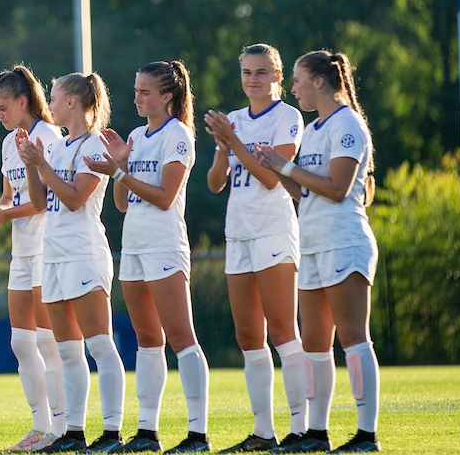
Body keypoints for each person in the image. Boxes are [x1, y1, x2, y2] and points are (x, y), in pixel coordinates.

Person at [257, 51, 381, 454]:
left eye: (297, 80)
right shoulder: (313, 128)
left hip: (343, 240)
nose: (292, 88)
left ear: (320, 83)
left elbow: (339, 187)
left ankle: (366, 436)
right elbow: (305, 192)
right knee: (314, 342)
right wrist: (276, 169)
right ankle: (316, 433)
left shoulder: (347, 123)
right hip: (311, 243)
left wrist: (287, 167)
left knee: (353, 338)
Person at [87, 62, 208, 454]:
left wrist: (120, 173)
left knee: (181, 338)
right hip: (135, 245)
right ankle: (147, 433)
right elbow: (123, 204)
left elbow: (164, 197)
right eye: (136, 91)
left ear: (167, 96)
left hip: (164, 244)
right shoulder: (137, 134)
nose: (137, 98)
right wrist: (120, 164)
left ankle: (197, 435)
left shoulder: (178, 134)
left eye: (145, 92)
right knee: (147, 340)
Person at [16, 72, 126, 455]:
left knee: (99, 344)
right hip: (56, 253)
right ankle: (74, 433)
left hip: (84, 252)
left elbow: (77, 198)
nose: (50, 101)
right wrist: (31, 162)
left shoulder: (95, 143)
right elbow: (43, 199)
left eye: (55, 96)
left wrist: (42, 165)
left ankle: (112, 432)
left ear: (72, 104)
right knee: (67, 350)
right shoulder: (62, 145)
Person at [204, 45, 307, 453]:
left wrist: (234, 141)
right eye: (247, 72)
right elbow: (215, 183)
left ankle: (301, 430)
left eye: (262, 72)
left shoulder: (289, 117)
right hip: (240, 232)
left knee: (283, 331)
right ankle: (264, 432)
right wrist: (223, 146)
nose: (253, 80)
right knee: (249, 336)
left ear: (278, 76)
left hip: (273, 230)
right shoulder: (235, 120)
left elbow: (271, 178)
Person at [0, 66, 66, 451]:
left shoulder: (49, 136)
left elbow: (44, 203)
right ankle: (39, 425)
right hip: (21, 251)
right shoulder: (8, 141)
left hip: (49, 247)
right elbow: (9, 196)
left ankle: (62, 428)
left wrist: (5, 215)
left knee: (49, 342)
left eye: (2, 107)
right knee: (20, 342)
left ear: (23, 102)